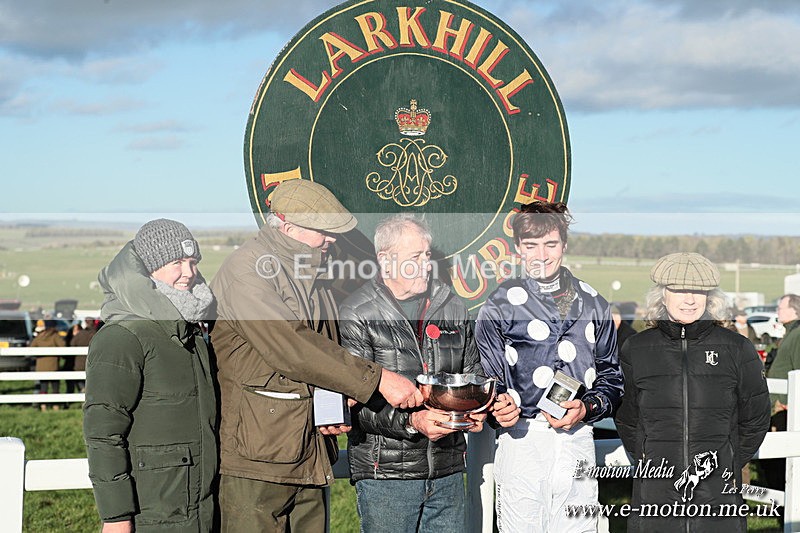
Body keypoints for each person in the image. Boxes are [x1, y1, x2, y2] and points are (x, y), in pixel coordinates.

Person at [210, 179, 423, 532]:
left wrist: (332, 406)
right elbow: (291, 348)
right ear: (288, 226)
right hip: (258, 457)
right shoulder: (245, 272)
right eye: (324, 231)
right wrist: (379, 379)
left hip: (307, 448)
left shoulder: (312, 272)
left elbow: (325, 349)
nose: (331, 239)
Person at [339, 214, 520, 533]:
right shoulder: (356, 313)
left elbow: (471, 379)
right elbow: (353, 405)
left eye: (426, 255)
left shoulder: (453, 308)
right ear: (386, 260)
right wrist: (412, 423)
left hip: (448, 473)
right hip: (388, 480)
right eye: (415, 257)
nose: (425, 264)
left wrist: (490, 410)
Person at [475, 201, 623, 532]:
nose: (541, 254)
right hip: (523, 441)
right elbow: (488, 379)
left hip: (577, 438)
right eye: (531, 245)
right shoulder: (498, 305)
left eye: (550, 244)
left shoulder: (595, 303)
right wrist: (499, 405)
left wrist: (586, 408)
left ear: (565, 244)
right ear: (518, 249)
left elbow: (613, 379)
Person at [615, 252, 770, 532]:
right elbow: (627, 418)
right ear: (662, 295)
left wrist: (727, 461)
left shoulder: (737, 348)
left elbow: (756, 418)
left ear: (710, 298)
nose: (690, 299)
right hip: (655, 494)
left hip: (718, 494)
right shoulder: (636, 348)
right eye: (679, 290)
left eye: (698, 291)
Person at [83, 219, 217, 532]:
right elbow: (102, 431)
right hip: (152, 513)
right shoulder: (122, 336)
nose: (189, 273)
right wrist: (116, 517)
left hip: (199, 509)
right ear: (148, 268)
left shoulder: (190, 332)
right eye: (177, 262)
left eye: (193, 261)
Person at [762, 294, 800, 493]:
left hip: (784, 406)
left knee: (777, 458)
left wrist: (790, 402)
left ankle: (784, 503)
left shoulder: (798, 333)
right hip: (779, 403)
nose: (777, 311)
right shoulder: (789, 333)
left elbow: (798, 370)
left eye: (781, 307)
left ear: (794, 310)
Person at [31, 319, 65, 411]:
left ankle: (43, 405)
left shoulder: (38, 337)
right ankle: (55, 405)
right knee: (55, 387)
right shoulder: (55, 336)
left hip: (41, 367)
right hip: (53, 365)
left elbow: (31, 349)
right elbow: (63, 346)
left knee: (43, 387)